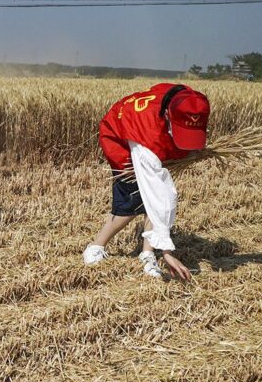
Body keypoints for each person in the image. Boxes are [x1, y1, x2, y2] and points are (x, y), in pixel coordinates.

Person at [82, 83, 210, 280]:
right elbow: (159, 195)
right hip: (121, 137)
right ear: (168, 116)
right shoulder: (147, 137)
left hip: (153, 132)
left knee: (151, 197)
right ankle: (95, 247)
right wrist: (167, 252)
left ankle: (147, 253)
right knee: (132, 200)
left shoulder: (190, 100)